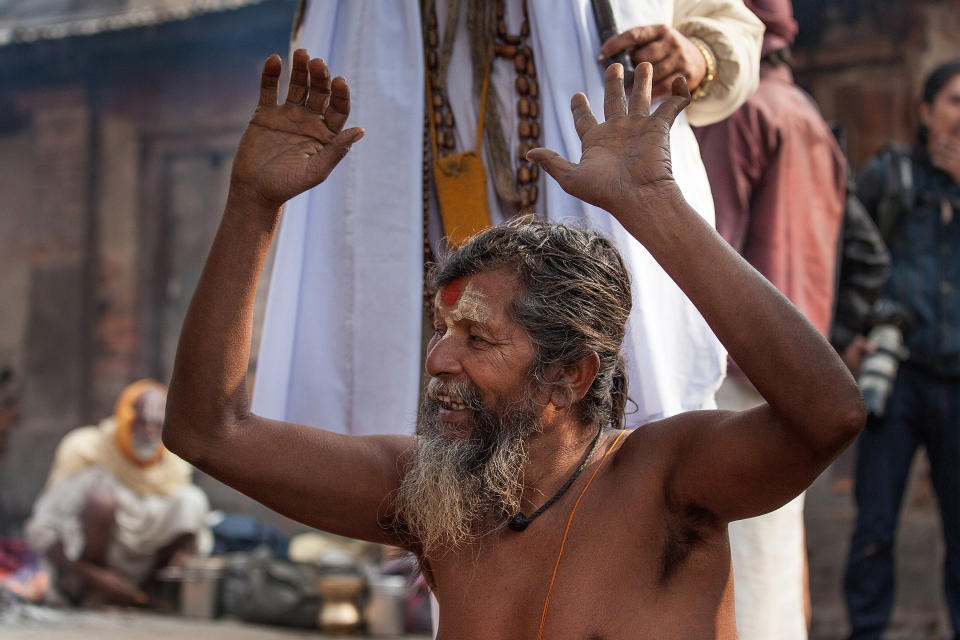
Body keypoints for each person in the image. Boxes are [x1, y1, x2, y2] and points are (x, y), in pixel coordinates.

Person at [163, 51, 864, 638]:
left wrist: (655, 206)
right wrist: (252, 203)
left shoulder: (668, 481)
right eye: (442, 332)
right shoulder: (434, 496)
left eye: (477, 339)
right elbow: (206, 432)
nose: (439, 359)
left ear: (572, 374)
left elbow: (828, 416)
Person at [251, 1, 763, 440]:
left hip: (592, 221)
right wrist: (250, 201)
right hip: (408, 232)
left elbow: (730, 26)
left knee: (611, 451)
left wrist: (700, 55)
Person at [694, 1, 846, 637]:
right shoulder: (808, 114)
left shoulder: (743, 114)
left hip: (738, 366)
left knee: (737, 557)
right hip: (799, 370)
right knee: (775, 555)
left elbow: (710, 247)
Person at [844, 59, 960, 640]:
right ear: (925, 111)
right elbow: (843, 246)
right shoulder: (891, 176)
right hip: (898, 374)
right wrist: (847, 335)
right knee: (875, 527)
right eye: (955, 101)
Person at [25, 380, 209, 607]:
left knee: (192, 502)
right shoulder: (87, 450)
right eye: (141, 421)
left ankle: (141, 595)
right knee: (101, 497)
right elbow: (41, 531)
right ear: (124, 417)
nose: (149, 430)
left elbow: (192, 542)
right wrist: (95, 578)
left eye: (156, 423)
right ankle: (91, 593)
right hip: (85, 574)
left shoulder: (175, 465)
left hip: (144, 576)